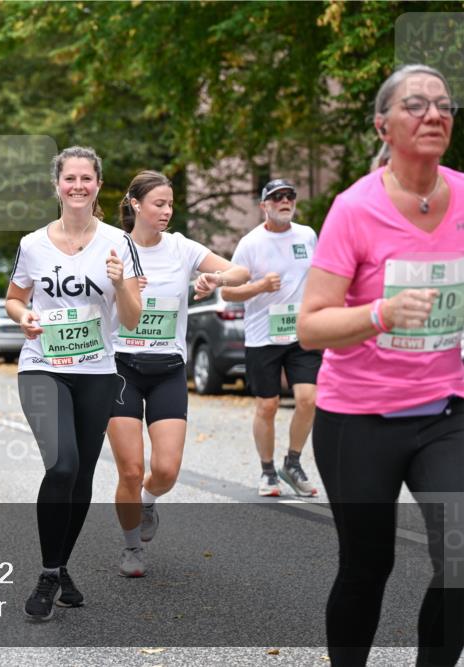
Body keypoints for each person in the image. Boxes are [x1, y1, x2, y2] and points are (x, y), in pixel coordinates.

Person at [298, 64, 462, 667]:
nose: (433, 114)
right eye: (415, 105)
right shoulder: (354, 210)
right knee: (368, 567)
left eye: (443, 105)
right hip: (357, 420)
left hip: (445, 411)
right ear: (383, 126)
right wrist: (381, 315)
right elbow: (310, 325)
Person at [7, 146, 143, 620]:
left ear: (98, 186)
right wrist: (24, 315)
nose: (78, 186)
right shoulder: (32, 243)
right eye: (70, 178)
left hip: (97, 370)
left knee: (82, 474)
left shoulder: (118, 243)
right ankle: (48, 574)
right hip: (42, 364)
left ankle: (60, 564)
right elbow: (14, 299)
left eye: (87, 178)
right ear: (57, 185)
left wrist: (122, 283)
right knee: (62, 466)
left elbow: (131, 318)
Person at [108, 171, 249, 577]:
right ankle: (132, 547)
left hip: (168, 368)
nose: (167, 211)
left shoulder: (181, 248)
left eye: (170, 204)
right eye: (159, 204)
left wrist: (213, 278)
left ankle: (148, 502)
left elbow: (239, 272)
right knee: (131, 469)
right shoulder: (113, 249)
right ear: (136, 204)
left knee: (166, 470)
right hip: (121, 367)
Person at [221, 179, 321, 497]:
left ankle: (292, 463)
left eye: (289, 196)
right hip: (264, 336)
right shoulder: (250, 243)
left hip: (301, 332)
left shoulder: (307, 235)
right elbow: (227, 290)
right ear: (264, 205)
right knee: (268, 405)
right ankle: (267, 472)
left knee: (308, 399)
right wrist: (260, 286)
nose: (284, 201)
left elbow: (319, 275)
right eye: (276, 198)